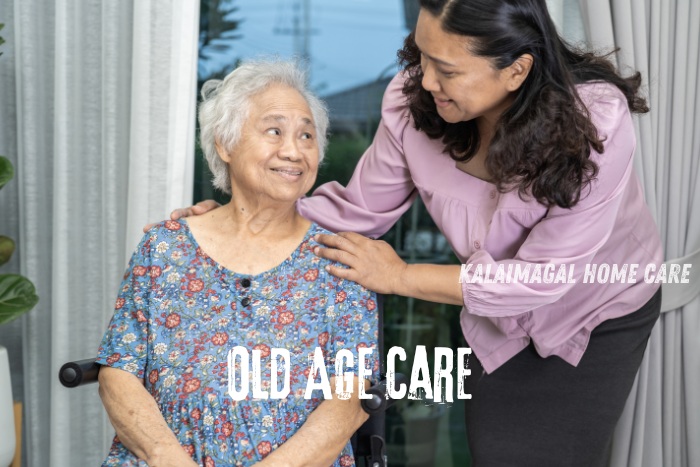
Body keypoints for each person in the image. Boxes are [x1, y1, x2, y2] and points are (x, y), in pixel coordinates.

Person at [170, 1, 663, 465]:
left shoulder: (595, 121)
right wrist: (244, 216)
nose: (427, 80)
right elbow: (359, 210)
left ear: (517, 70)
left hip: (595, 308)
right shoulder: (415, 101)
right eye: (424, 57)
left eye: (447, 70)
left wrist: (400, 276)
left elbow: (543, 278)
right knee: (494, 449)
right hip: (493, 312)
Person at [97, 59, 379, 467]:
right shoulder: (164, 247)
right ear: (224, 144)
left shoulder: (341, 258)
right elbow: (117, 373)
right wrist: (168, 459)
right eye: (274, 131)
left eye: (306, 135)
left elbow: (350, 398)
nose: (293, 151)